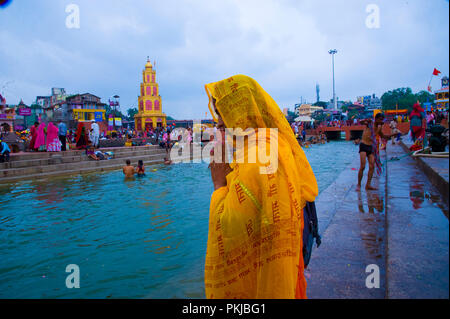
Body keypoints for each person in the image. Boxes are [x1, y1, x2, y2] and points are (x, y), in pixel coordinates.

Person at [204, 75, 318, 299]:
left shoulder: (256, 156)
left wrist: (219, 185)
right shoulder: (274, 143)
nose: (218, 122)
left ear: (241, 112)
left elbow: (232, 227)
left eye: (222, 113)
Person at [356, 113, 395, 191]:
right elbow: (360, 122)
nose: (381, 121)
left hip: (371, 147)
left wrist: (393, 134)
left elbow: (383, 136)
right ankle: (359, 184)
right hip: (363, 145)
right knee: (363, 166)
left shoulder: (379, 127)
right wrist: (365, 120)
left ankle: (368, 185)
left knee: (372, 166)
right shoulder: (370, 123)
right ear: (376, 119)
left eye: (382, 120)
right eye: (380, 119)